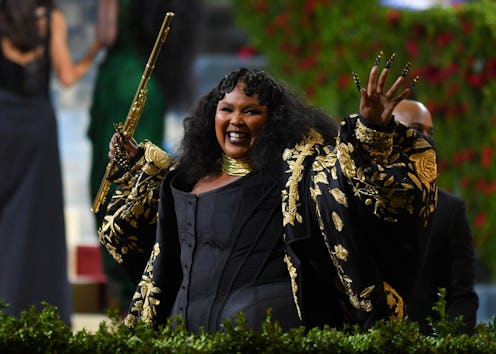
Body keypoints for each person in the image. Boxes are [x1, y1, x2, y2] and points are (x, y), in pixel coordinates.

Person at [98, 56, 438, 333]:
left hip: (264, 336)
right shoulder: (185, 178)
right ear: (211, 115)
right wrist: (137, 165)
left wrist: (373, 131)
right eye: (227, 109)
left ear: (273, 121)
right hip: (182, 337)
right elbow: (151, 242)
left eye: (250, 111)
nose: (236, 120)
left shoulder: (301, 176)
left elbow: (362, 186)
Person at [89, 0, 202, 313]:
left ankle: (122, 292)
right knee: (143, 174)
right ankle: (143, 285)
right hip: (148, 84)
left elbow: (107, 35)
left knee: (111, 175)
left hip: (118, 82)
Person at [0, 0, 101, 324]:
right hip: (37, 130)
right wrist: (94, 49)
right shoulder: (50, 18)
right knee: (36, 224)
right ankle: (30, 312)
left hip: (3, 125)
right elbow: (67, 77)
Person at [393, 99, 479, 334]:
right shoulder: (361, 199)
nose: (427, 138)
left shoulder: (449, 210)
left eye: (430, 131)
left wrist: (450, 343)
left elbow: (461, 295)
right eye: (418, 129)